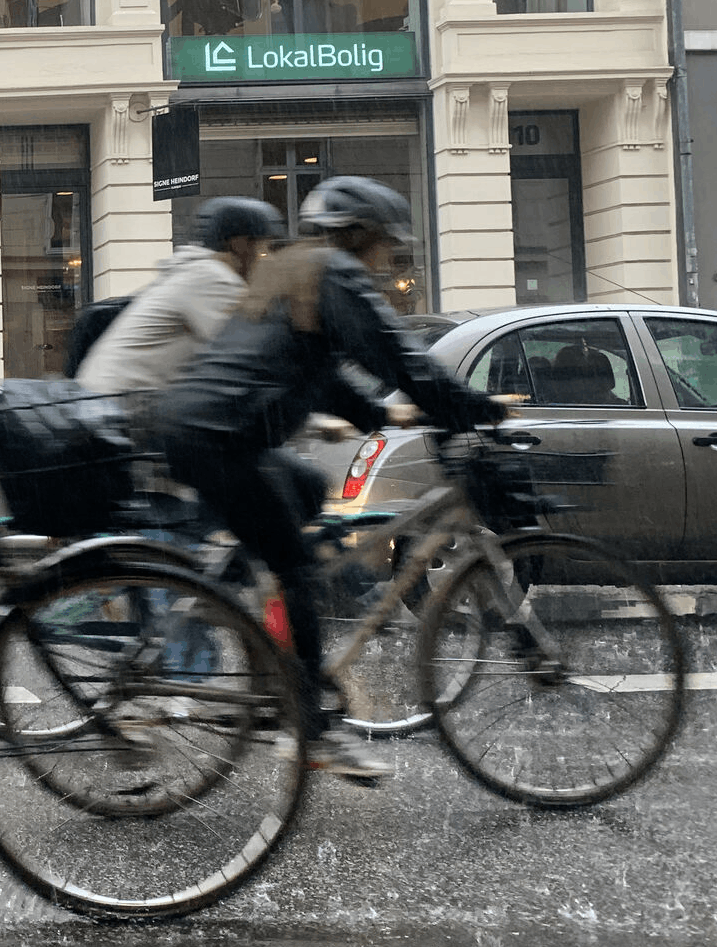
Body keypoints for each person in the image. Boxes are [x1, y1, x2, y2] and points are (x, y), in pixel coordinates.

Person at [148, 176, 508, 785]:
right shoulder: (337, 274)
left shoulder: (290, 269)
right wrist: (479, 409)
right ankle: (311, 730)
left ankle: (255, 633)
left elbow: (316, 369)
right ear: (364, 236)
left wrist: (375, 415)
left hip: (200, 428)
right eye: (389, 245)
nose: (389, 259)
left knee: (304, 493)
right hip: (222, 438)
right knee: (297, 572)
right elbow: (397, 358)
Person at [75, 196, 280, 397]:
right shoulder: (211, 278)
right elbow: (249, 355)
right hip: (122, 408)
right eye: (264, 248)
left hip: (114, 402)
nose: (268, 259)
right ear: (239, 244)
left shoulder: (194, 272)